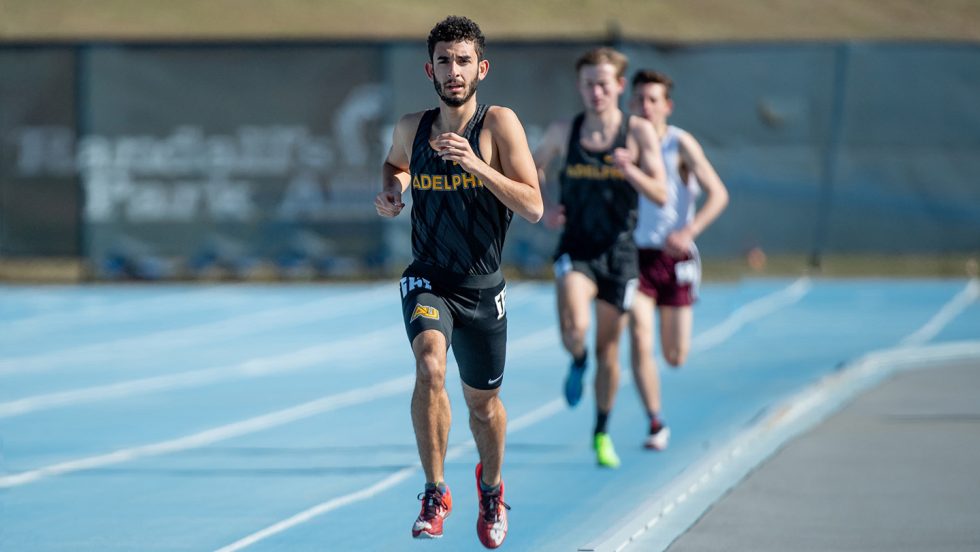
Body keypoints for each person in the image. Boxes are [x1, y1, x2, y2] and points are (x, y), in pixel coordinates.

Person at [374, 15, 542, 549]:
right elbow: (394, 165)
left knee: (483, 406)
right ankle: (434, 490)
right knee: (429, 364)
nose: (454, 70)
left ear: (481, 68)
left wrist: (478, 166)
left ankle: (491, 488)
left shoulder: (497, 125)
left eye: (464, 60)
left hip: (482, 287)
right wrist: (393, 191)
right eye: (444, 61)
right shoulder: (412, 126)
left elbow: (534, 206)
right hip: (428, 275)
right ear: (430, 69)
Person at [533, 47, 667, 468]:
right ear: (580, 86)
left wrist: (633, 171)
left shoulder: (639, 133)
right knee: (575, 326)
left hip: (620, 254)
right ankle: (576, 358)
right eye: (589, 84)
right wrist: (546, 208)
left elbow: (661, 193)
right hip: (576, 247)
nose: (596, 92)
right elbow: (530, 171)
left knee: (609, 351)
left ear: (619, 87)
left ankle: (601, 431)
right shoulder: (563, 131)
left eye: (603, 84)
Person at [627, 70, 729, 450]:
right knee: (639, 335)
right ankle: (655, 422)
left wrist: (689, 231)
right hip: (636, 256)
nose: (645, 106)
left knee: (675, 355)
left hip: (676, 258)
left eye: (653, 100)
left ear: (666, 106)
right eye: (639, 99)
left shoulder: (679, 144)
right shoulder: (625, 145)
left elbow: (718, 194)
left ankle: (657, 411)